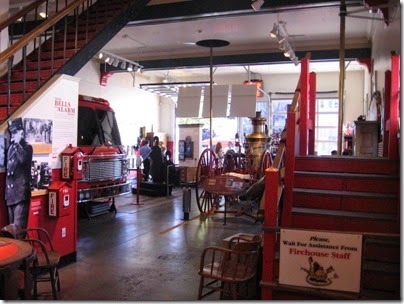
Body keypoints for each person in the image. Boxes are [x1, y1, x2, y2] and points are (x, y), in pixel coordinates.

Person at [5, 117, 33, 236]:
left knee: (19, 231)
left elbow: (22, 160)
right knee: (11, 231)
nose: (13, 136)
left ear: (21, 132)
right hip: (11, 195)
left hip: (20, 195)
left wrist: (16, 144)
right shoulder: (11, 148)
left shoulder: (27, 147)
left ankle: (22, 254)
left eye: (15, 133)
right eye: (12, 133)